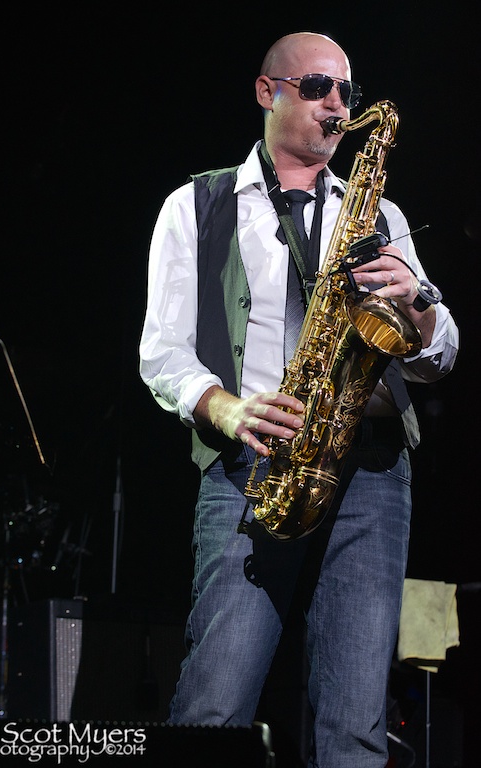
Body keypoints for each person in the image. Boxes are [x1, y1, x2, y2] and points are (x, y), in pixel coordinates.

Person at [139, 31, 458, 768]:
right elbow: (161, 351)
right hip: (255, 465)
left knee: (356, 725)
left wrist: (419, 304)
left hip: (372, 472)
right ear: (268, 91)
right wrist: (226, 408)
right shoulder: (196, 204)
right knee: (214, 705)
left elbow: (439, 356)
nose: (336, 105)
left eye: (346, 91)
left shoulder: (379, 214)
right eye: (317, 87)